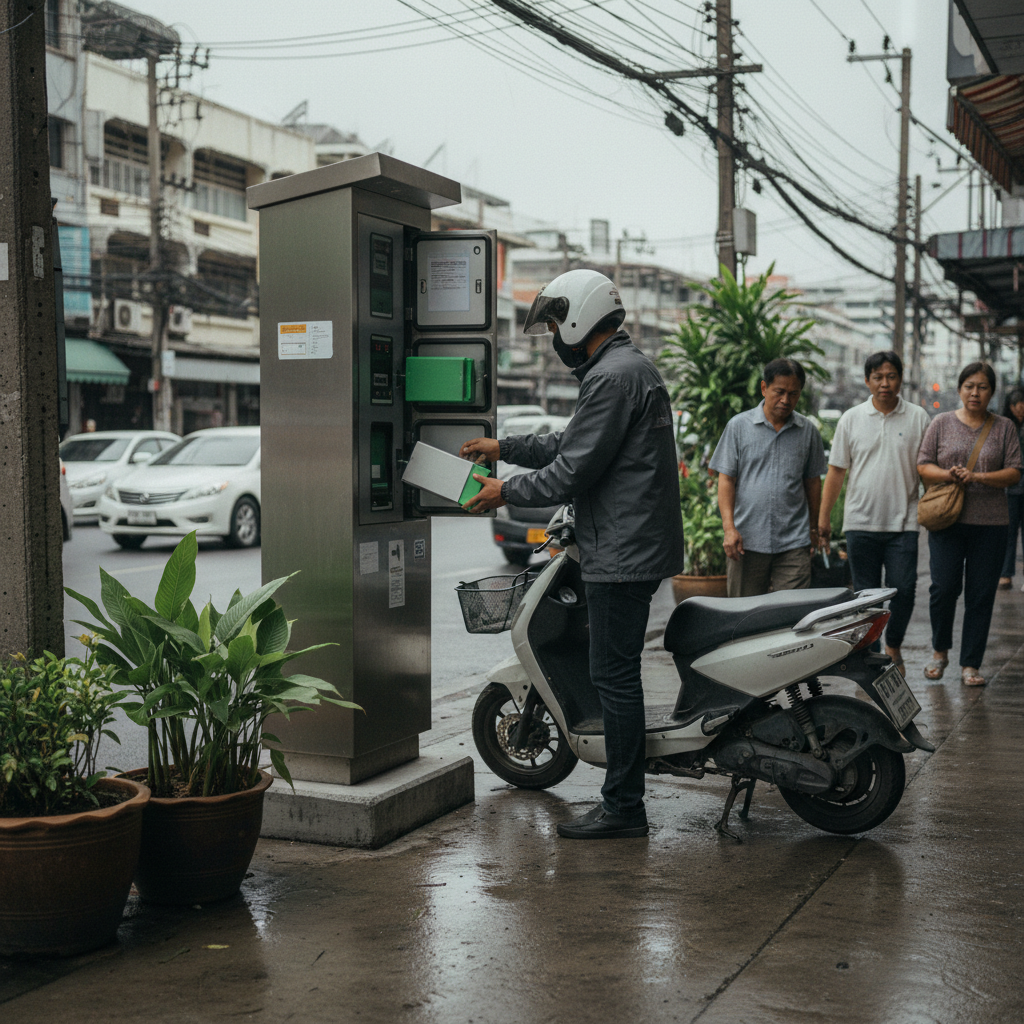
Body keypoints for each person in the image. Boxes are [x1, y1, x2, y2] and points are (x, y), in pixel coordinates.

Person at [460, 269, 684, 840]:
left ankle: (624, 808)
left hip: (621, 551)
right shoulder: (624, 371)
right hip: (628, 544)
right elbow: (572, 443)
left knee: (613, 675)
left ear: (582, 317)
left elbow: (571, 469)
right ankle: (622, 799)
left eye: (558, 322)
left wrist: (502, 489)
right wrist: (505, 447)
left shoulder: (612, 377)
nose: (557, 334)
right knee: (614, 672)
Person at [818, 351, 929, 672]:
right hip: (860, 523)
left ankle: (893, 643)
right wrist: (824, 520)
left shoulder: (918, 417)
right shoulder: (851, 418)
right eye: (878, 377)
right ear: (867, 380)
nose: (884, 383)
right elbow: (836, 471)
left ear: (900, 379)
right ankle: (874, 654)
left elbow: (927, 468)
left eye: (891, 376)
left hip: (903, 522)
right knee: (866, 599)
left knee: (904, 588)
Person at [917, 362, 1022, 686]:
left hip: (990, 524)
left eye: (982, 387)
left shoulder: (1004, 427)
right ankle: (940, 651)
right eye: (969, 386)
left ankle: (970, 664)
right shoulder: (941, 422)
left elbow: (1015, 471)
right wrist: (950, 474)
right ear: (960, 388)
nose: (975, 393)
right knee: (943, 588)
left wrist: (976, 476)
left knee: (980, 594)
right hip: (947, 521)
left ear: (992, 392)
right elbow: (923, 465)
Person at [710, 358, 827, 598]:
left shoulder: (808, 432)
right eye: (779, 392)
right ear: (764, 388)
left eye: (793, 394)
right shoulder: (738, 427)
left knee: (791, 615)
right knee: (744, 616)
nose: (786, 400)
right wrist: (729, 528)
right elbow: (726, 480)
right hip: (747, 541)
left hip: (794, 542)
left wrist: (813, 529)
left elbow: (813, 483)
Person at [998, 387, 1024, 589]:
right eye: (1017, 405)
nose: (1020, 409)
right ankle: (1006, 573)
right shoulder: (1005, 427)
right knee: (1008, 533)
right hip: (1010, 489)